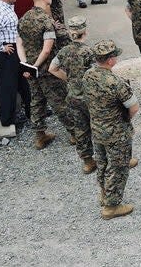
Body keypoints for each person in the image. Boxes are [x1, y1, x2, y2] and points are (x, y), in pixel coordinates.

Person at [83, 40, 139, 220]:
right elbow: (133, 108)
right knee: (118, 167)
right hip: (116, 132)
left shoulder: (88, 75)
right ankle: (112, 206)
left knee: (103, 163)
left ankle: (104, 194)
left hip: (97, 130)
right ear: (109, 61)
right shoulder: (116, 82)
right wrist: (125, 120)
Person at [16, 0, 76, 149]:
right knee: (61, 100)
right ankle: (75, 134)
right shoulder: (45, 21)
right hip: (48, 69)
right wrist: (35, 65)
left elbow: (19, 43)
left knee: (37, 100)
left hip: (31, 70)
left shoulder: (24, 18)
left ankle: (40, 136)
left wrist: (26, 65)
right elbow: (47, 48)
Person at [48, 16, 97, 174]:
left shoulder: (64, 51)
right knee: (102, 126)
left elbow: (52, 68)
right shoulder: (89, 52)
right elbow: (98, 74)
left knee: (81, 129)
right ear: (85, 32)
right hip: (90, 97)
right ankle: (111, 158)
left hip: (73, 97)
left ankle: (88, 162)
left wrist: (69, 79)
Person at [0, 0, 31, 127]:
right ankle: (7, 119)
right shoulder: (0, 11)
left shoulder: (7, 7)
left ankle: (32, 111)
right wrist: (2, 47)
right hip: (8, 52)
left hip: (14, 49)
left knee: (22, 82)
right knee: (8, 85)